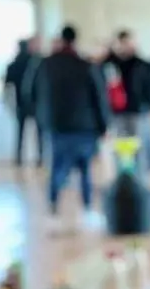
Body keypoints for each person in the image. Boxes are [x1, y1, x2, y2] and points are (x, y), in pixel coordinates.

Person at [31, 25, 110, 232]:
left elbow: (31, 93)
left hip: (57, 126)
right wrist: (104, 125)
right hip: (84, 126)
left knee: (57, 169)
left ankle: (53, 212)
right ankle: (87, 211)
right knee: (85, 170)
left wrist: (42, 118)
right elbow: (99, 97)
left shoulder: (46, 65)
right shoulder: (85, 65)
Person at [104, 31, 150, 172]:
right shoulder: (112, 64)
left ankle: (141, 175)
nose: (125, 46)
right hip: (118, 111)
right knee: (120, 146)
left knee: (139, 145)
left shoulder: (141, 64)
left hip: (138, 110)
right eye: (122, 43)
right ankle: (123, 175)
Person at [5, 35, 43, 167]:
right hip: (35, 103)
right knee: (39, 132)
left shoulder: (14, 65)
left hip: (20, 103)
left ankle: (19, 156)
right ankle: (40, 157)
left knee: (20, 132)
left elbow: (7, 84)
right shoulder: (35, 63)